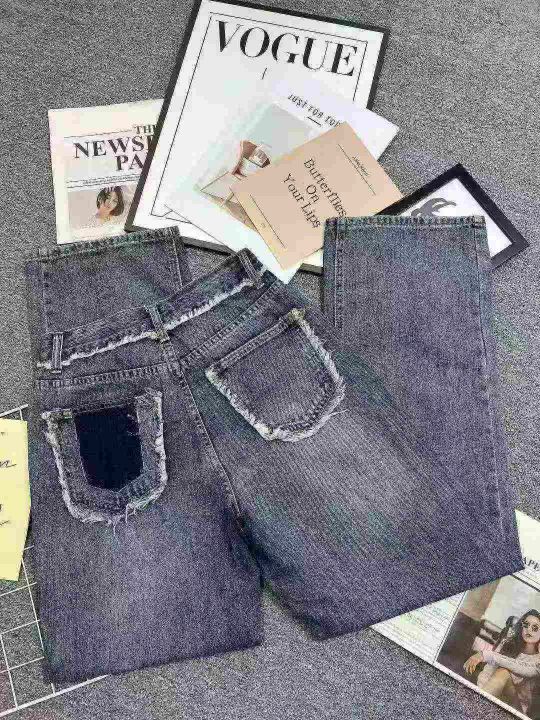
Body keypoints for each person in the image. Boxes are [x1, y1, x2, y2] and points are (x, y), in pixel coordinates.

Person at [464, 610, 540, 715]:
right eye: (526, 625)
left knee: (503, 672)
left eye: (535, 627)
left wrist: (485, 655)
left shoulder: (538, 659)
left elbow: (519, 667)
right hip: (493, 695)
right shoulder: (509, 643)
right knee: (500, 672)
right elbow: (488, 672)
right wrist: (482, 690)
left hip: (517, 708)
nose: (529, 629)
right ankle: (473, 709)